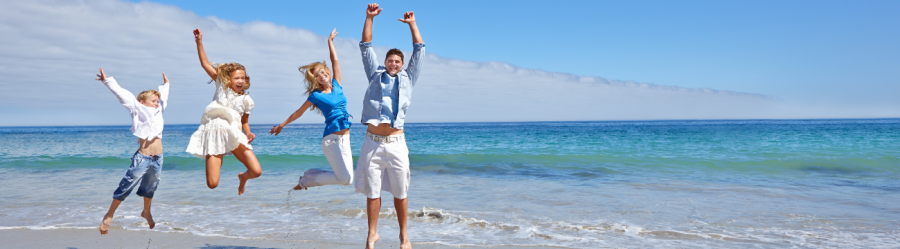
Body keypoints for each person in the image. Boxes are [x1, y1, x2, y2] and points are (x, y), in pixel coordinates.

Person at [354, 3, 425, 249]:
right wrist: (369, 18)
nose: (393, 63)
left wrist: (412, 24)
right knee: (372, 192)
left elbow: (419, 50)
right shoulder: (375, 73)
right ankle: (372, 234)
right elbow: (365, 47)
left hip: (396, 143)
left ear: (402, 64)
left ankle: (404, 235)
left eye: (397, 61)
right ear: (385, 62)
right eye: (390, 60)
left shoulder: (408, 78)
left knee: (400, 192)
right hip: (372, 143)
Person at [270, 29, 354, 190]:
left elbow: (335, 61)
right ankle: (306, 181)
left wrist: (330, 42)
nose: (321, 76)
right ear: (315, 79)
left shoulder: (337, 85)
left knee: (348, 180)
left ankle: (310, 174)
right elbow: (299, 112)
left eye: (322, 72)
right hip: (331, 139)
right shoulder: (316, 95)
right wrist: (282, 125)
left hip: (345, 139)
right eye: (317, 75)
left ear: (327, 72)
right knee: (343, 178)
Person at [185, 28, 262, 196]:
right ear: (228, 79)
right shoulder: (222, 85)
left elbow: (244, 122)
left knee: (256, 171)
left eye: (243, 77)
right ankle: (213, 157)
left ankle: (243, 178)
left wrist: (248, 133)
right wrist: (199, 42)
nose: (240, 80)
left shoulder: (247, 100)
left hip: (234, 133)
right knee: (212, 184)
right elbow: (205, 64)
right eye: (236, 78)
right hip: (214, 133)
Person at [95, 68, 169, 235]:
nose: (157, 103)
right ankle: (109, 215)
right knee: (126, 186)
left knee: (151, 186)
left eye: (157, 101)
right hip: (143, 158)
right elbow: (123, 95)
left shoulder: (159, 112)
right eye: (153, 100)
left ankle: (146, 212)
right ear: (142, 102)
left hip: (158, 158)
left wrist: (166, 85)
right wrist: (107, 81)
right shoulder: (137, 109)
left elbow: (164, 99)